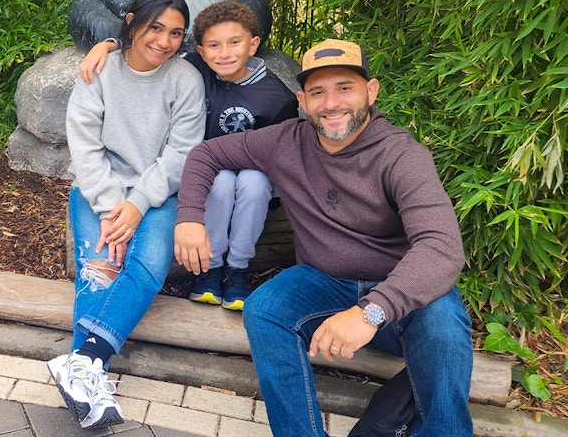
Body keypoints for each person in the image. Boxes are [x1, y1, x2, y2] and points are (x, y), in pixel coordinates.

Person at [174, 38, 473, 436]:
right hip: (323, 282)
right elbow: (205, 154)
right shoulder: (285, 141)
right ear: (302, 100)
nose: (331, 103)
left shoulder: (401, 155)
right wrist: (190, 218)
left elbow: (441, 247)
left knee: (444, 326)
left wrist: (371, 311)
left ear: (371, 91)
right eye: (317, 92)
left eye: (344, 88)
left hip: (397, 291)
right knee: (264, 309)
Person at [49, 0, 206, 430]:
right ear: (133, 23)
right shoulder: (100, 71)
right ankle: (90, 375)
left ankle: (82, 363)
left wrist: (136, 205)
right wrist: (110, 207)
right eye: (156, 28)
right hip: (98, 191)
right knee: (100, 267)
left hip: (157, 194)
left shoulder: (185, 80)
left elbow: (181, 154)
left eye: (176, 33)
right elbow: (85, 146)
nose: (164, 41)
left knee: (148, 265)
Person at [79, 0, 298, 310]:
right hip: (204, 176)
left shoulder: (276, 98)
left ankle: (237, 269)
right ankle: (210, 267)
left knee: (253, 182)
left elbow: (280, 156)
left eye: (235, 43)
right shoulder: (195, 67)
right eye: (214, 45)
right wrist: (108, 44)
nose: (224, 53)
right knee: (221, 181)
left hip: (254, 179)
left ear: (253, 45)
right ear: (202, 50)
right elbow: (152, 45)